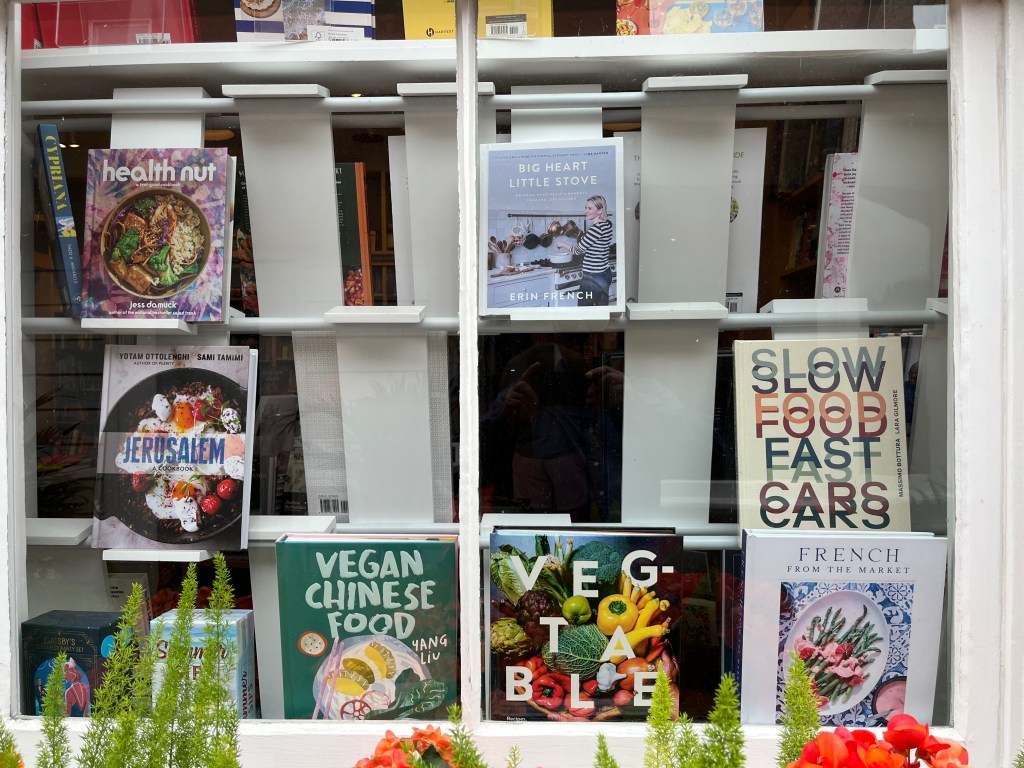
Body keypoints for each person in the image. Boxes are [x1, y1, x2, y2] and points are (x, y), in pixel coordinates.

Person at [557, 194, 614, 307]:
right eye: (585, 207)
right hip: (605, 272)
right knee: (601, 309)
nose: (586, 211)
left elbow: (577, 251)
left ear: (599, 210)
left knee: (584, 310)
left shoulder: (595, 229)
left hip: (593, 276)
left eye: (590, 208)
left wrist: (562, 244)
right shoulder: (607, 225)